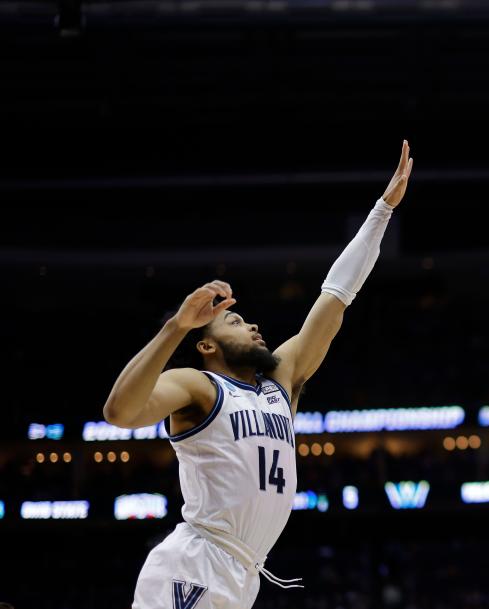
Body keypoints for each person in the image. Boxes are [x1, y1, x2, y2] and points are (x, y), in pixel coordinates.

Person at [102, 142, 414, 609]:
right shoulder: (198, 385)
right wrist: (175, 327)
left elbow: (336, 295)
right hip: (194, 563)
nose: (251, 325)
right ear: (206, 345)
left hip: (245, 572)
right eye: (234, 322)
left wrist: (381, 211)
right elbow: (119, 412)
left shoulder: (278, 383)